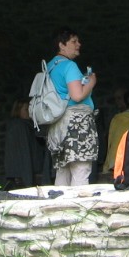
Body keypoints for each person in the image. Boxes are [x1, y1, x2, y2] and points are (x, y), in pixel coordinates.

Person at [45, 27, 98, 187]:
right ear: (61, 45)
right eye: (74, 41)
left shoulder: (50, 66)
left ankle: (59, 202)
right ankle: (79, 202)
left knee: (63, 171)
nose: (78, 44)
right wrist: (91, 82)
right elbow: (77, 95)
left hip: (58, 124)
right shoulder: (69, 66)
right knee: (80, 169)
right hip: (76, 124)